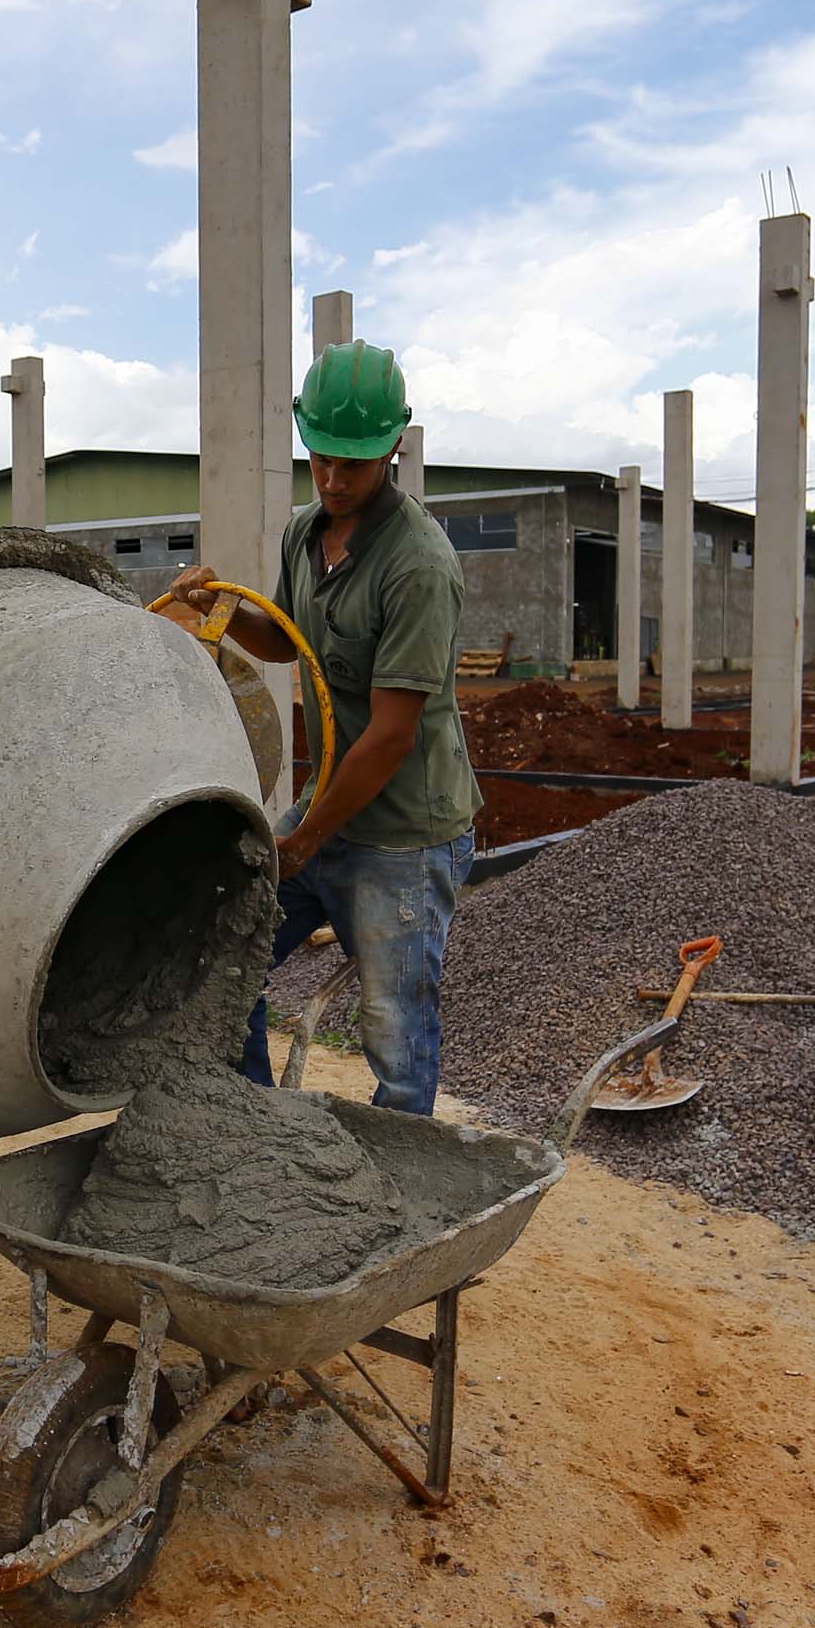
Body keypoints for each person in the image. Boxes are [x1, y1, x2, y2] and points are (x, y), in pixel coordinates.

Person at [168, 339, 478, 1117]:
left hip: (404, 833)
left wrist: (304, 838)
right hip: (330, 805)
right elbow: (289, 640)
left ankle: (402, 1188)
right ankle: (262, 1138)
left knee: (394, 1030)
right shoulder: (306, 533)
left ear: (394, 448)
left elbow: (392, 736)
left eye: (356, 465)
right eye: (322, 460)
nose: (336, 480)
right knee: (224, 961)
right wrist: (223, 610)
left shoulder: (419, 567)